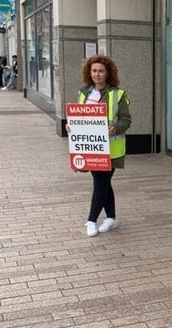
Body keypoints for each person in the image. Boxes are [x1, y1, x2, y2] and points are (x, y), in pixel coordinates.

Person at [68, 55, 132, 237]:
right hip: (90, 149)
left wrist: (115, 128)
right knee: (104, 183)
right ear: (89, 72)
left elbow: (127, 120)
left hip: (111, 150)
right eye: (94, 71)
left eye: (101, 71)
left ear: (108, 73)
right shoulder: (84, 93)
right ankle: (111, 218)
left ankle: (91, 220)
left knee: (100, 183)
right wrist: (71, 125)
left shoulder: (117, 94)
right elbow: (80, 117)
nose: (97, 74)